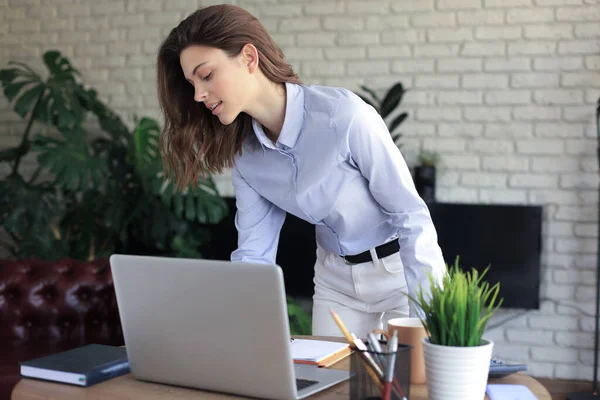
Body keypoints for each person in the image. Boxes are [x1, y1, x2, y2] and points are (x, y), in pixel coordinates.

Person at [156, 4, 446, 338]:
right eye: (191, 83)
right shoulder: (246, 157)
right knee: (331, 385)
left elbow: (411, 217)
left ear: (249, 58)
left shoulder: (343, 115)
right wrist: (232, 331)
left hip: (399, 277)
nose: (198, 95)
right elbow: (254, 255)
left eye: (206, 76)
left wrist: (431, 315)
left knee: (408, 386)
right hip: (334, 282)